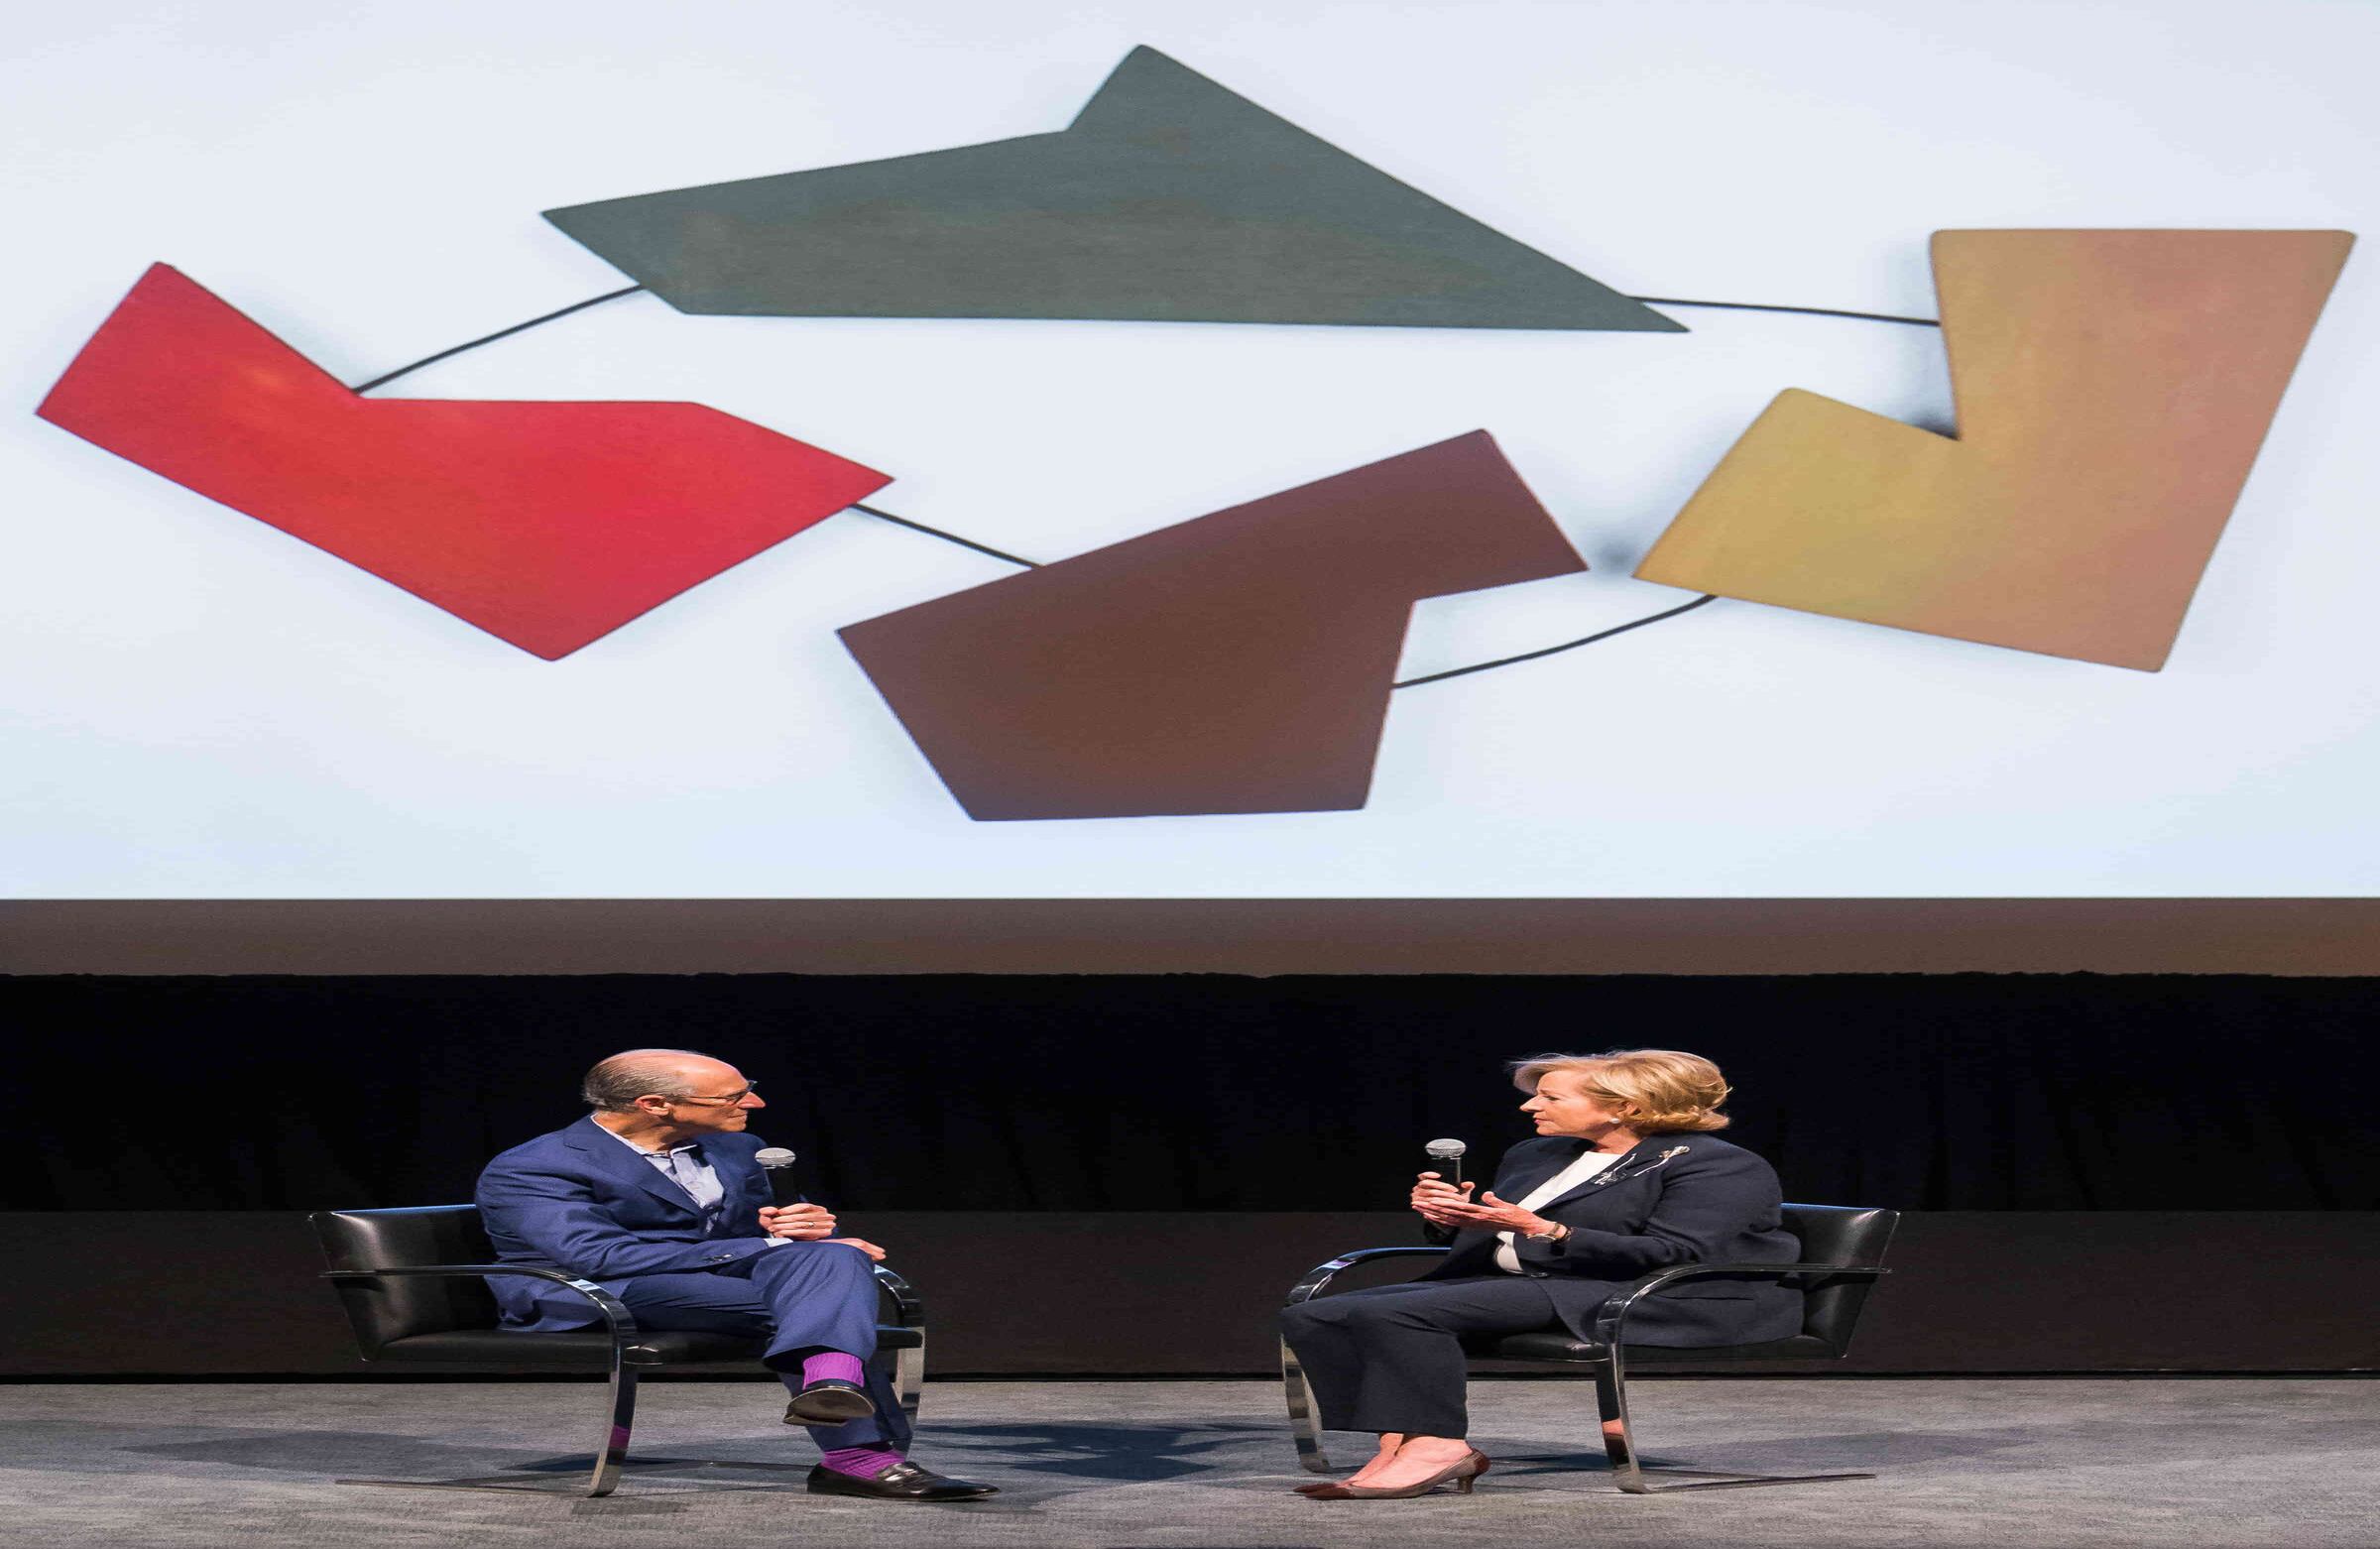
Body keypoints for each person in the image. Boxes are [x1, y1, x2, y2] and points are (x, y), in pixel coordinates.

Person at [475, 1048, 996, 1502]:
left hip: (707, 1280)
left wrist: (797, 1225)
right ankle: (857, 1454)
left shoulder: (739, 1148)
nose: (754, 1103)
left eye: (750, 1090)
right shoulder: (536, 1166)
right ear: (654, 1105)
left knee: (835, 1260)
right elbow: (598, 1256)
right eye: (732, 1096)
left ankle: (833, 1388)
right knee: (822, 1302)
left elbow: (759, 1227)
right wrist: (765, 1243)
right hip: (591, 1291)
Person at [1277, 1048, 1800, 1500]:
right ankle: (1399, 1440)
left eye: (1551, 1098)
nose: (1531, 1106)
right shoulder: (1539, 1153)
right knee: (1316, 1314)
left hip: (1643, 1293)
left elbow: (1674, 1250)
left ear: (1627, 1108)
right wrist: (1451, 1219)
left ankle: (1437, 1445)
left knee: (1400, 1313)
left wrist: (1547, 1230)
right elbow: (1500, 1233)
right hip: (1528, 1282)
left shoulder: (1716, 1165)